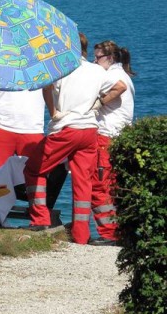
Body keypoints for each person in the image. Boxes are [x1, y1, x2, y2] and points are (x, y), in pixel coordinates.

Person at [24, 33, 126, 244]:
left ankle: (40, 218)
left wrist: (53, 112)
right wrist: (99, 103)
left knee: (34, 169)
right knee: (83, 181)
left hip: (66, 129)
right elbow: (120, 87)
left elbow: (46, 87)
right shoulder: (96, 70)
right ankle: (84, 234)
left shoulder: (61, 68)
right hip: (89, 131)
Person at [89, 41, 135, 246]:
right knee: (115, 186)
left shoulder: (111, 76)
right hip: (122, 137)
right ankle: (121, 231)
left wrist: (99, 102)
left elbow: (119, 88)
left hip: (106, 137)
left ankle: (109, 233)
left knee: (99, 186)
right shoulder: (123, 73)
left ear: (110, 58)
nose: (94, 61)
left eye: (98, 58)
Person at [0, 89, 45, 177]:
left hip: (34, 129)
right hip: (0, 126)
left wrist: (55, 116)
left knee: (35, 177)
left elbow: (49, 90)